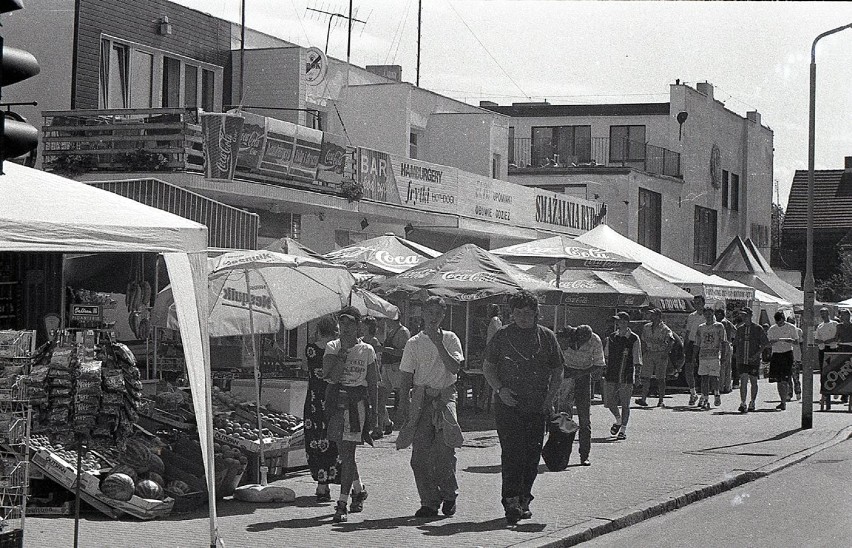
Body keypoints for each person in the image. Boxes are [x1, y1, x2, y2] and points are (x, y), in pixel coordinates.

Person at [483, 290, 564, 525]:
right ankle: (511, 501)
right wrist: (500, 389)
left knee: (531, 456)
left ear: (536, 313)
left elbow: (558, 372)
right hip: (509, 405)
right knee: (512, 454)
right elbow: (488, 367)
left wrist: (549, 400)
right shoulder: (502, 336)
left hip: (537, 407)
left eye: (528, 313)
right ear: (511, 313)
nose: (523, 317)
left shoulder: (547, 337)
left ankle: (524, 499)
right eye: (518, 313)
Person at [395, 296, 465, 518]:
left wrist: (438, 343)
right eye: (430, 313)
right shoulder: (413, 343)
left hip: (445, 395)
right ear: (423, 314)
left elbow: (454, 369)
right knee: (420, 456)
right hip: (421, 397)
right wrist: (403, 404)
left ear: (443, 316)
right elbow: (406, 375)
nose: (434, 318)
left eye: (438, 313)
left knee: (445, 452)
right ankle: (429, 501)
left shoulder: (451, 338)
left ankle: (449, 494)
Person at [322, 306, 379, 523]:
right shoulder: (332, 347)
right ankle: (359, 488)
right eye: (342, 323)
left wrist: (375, 413)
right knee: (344, 453)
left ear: (358, 325)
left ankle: (342, 503)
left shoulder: (367, 350)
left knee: (348, 454)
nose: (345, 328)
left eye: (350, 323)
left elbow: (373, 383)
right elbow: (332, 376)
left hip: (357, 404)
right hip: (336, 402)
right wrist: (342, 355)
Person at [303, 315, 341, 502]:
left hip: (313, 400)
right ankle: (333, 475)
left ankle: (321, 484)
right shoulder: (338, 348)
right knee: (333, 439)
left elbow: (305, 368)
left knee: (314, 439)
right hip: (333, 398)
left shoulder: (310, 349)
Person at [560, 324, 605, 464]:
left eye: (584, 340)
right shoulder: (566, 335)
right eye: (578, 339)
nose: (580, 343)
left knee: (584, 419)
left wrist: (580, 373)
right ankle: (563, 455)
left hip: (584, 376)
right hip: (566, 375)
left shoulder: (595, 341)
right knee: (564, 417)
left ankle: (584, 455)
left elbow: (599, 364)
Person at [603, 311, 642, 440]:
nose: (618, 323)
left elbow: (637, 358)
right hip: (612, 373)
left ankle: (623, 429)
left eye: (620, 321)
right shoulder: (612, 337)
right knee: (609, 401)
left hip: (626, 373)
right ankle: (618, 420)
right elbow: (606, 356)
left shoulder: (634, 338)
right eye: (617, 321)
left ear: (626, 322)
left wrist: (637, 376)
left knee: (625, 403)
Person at [379, 315, 411, 435]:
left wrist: (384, 350)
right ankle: (387, 423)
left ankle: (410, 423)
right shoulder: (392, 331)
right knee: (380, 399)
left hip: (396, 368)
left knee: (404, 398)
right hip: (387, 367)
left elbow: (404, 352)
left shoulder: (403, 332)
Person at [733, 307, 770, 413]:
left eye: (745, 315)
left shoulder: (757, 328)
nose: (743, 317)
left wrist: (757, 354)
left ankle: (752, 401)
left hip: (753, 359)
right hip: (742, 359)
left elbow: (765, 344)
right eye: (742, 315)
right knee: (743, 380)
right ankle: (743, 402)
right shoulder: (740, 329)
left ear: (750, 315)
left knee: (753, 380)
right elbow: (736, 342)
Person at [637, 308, 673, 408]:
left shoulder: (665, 328)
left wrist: (666, 353)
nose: (651, 317)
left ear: (658, 316)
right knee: (646, 377)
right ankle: (643, 398)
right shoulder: (647, 327)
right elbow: (643, 340)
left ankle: (661, 399)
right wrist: (643, 352)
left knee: (660, 378)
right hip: (649, 352)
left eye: (653, 315)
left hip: (660, 353)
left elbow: (671, 340)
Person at [695, 306, 726, 410]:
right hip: (703, 355)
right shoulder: (700, 327)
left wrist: (724, 355)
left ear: (713, 314)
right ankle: (705, 398)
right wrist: (694, 355)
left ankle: (716, 394)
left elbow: (723, 341)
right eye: (706, 314)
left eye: (710, 313)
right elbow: (697, 343)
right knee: (704, 378)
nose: (708, 316)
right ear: (704, 315)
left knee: (714, 377)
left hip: (714, 355)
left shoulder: (719, 326)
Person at [766, 311, 798, 411]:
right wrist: (773, 342)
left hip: (787, 353)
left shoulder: (791, 327)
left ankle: (785, 400)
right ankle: (782, 400)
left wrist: (790, 340)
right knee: (778, 380)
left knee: (785, 379)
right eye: (777, 321)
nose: (779, 323)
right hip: (776, 354)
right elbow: (768, 343)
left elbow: (796, 341)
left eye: (780, 321)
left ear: (783, 318)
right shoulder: (772, 329)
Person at [360, 316, 386, 439]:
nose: (361, 327)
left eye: (364, 325)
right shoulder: (360, 340)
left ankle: (378, 428)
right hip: (362, 375)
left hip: (374, 375)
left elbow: (377, 361)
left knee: (377, 402)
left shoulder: (374, 342)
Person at [682, 295, 706, 406]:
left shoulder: (708, 316)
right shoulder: (691, 316)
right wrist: (685, 345)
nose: (697, 304)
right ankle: (692, 392)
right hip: (691, 343)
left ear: (703, 303)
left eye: (699, 302)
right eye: (695, 302)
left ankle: (704, 395)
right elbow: (687, 332)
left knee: (703, 371)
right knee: (688, 368)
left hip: (703, 345)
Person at [715, 309, 736, 394]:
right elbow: (735, 330)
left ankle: (721, 387)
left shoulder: (721, 323)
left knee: (722, 366)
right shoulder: (728, 322)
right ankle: (727, 386)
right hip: (729, 344)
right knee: (728, 367)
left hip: (723, 344)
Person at [786, 317, 803, 401]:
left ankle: (798, 391)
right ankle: (789, 393)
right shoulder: (784, 330)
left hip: (796, 355)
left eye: (792, 322)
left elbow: (801, 343)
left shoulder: (798, 331)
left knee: (795, 376)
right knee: (787, 376)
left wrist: (802, 356)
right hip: (787, 355)